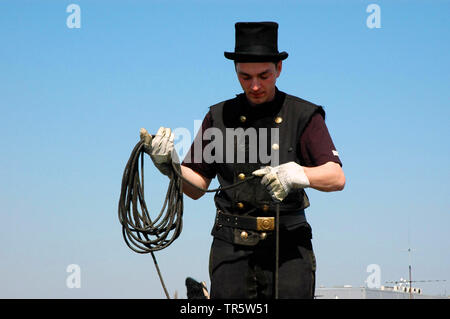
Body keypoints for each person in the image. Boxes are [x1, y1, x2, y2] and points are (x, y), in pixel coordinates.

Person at [140, 21, 345, 299]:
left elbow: (336, 177)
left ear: (279, 69)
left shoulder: (304, 115)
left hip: (288, 247)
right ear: (236, 72)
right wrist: (171, 167)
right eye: (245, 77)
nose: (255, 85)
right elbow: (197, 187)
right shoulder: (219, 116)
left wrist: (300, 175)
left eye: (264, 75)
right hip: (231, 248)